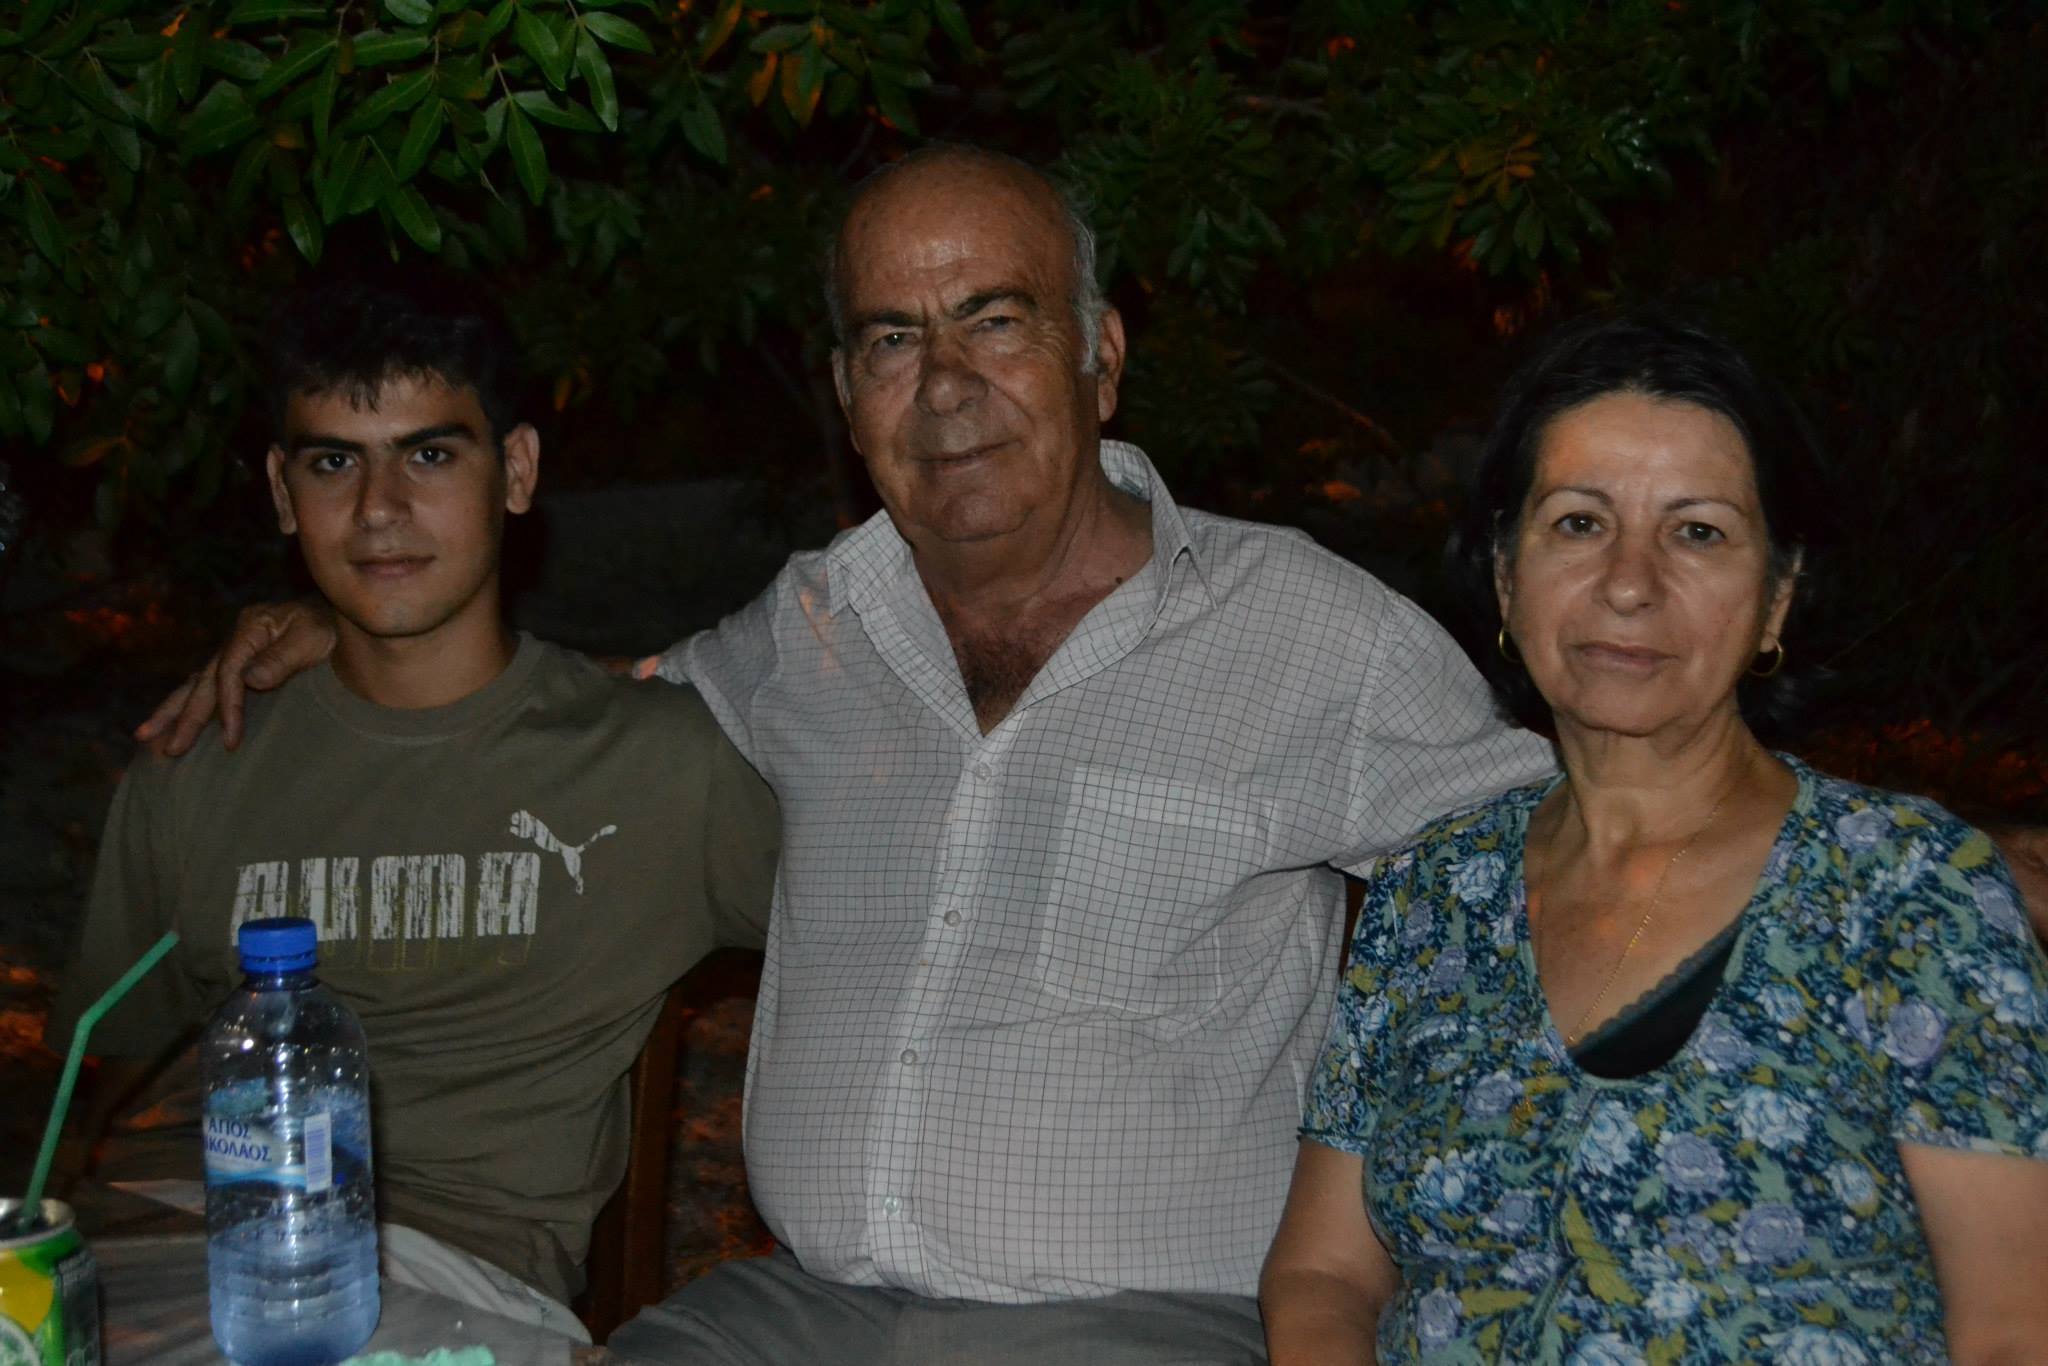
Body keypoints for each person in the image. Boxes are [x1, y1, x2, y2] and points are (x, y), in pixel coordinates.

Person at [139, 146, 1557, 1361]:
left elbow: (1571, 879)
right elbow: (578, 707)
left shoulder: (1306, 632)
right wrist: (359, 627)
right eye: (891, 339)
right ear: (844, 389)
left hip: (1141, 1321)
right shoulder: (806, 626)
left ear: (1101, 355)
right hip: (797, 1312)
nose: (944, 387)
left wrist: (1396, 1253)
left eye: (994, 320)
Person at [1260, 314, 2048, 1364]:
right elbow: (1323, 1273)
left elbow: (2014, 1328)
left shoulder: (1907, 891)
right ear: (1506, 578)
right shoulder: (1429, 895)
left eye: (1698, 532)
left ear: (1776, 597)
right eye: (1579, 523)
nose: (1629, 583)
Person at [49, 265, 779, 1340]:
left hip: (444, 1277)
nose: (378, 510)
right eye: (333, 462)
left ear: (516, 471)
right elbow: (84, 1088)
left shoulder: (663, 765)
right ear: (282, 492)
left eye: (429, 454)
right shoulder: (201, 756)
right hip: (158, 1246)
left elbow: (909, 935)